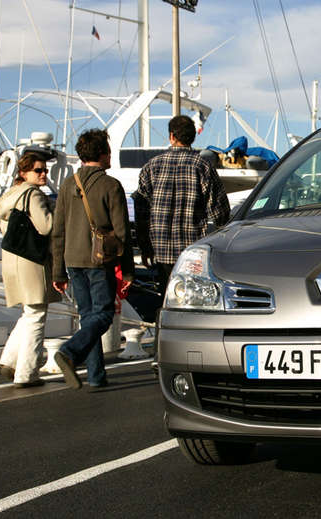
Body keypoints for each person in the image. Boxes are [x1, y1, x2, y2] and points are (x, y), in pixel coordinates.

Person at [51, 129, 134, 390]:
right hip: (100, 262)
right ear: (102, 154)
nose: (111, 156)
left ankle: (96, 375)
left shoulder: (67, 184)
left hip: (72, 261)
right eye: (108, 151)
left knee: (88, 317)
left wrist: (58, 273)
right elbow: (122, 234)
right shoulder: (111, 186)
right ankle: (70, 351)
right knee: (104, 314)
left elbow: (58, 231)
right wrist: (128, 271)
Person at [133, 115, 230, 294]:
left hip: (160, 250)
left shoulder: (151, 166)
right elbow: (220, 212)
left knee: (165, 297)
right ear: (193, 137)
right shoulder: (203, 166)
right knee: (190, 298)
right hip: (191, 251)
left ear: (172, 136)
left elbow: (141, 212)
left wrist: (145, 247)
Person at [0, 152, 60, 388]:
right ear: (24, 173)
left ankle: (10, 360)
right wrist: (54, 210)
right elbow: (46, 227)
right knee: (37, 315)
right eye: (38, 170)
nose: (43, 174)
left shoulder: (10, 195)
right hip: (32, 261)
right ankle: (27, 372)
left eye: (44, 170)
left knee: (28, 312)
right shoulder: (34, 195)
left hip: (12, 260)